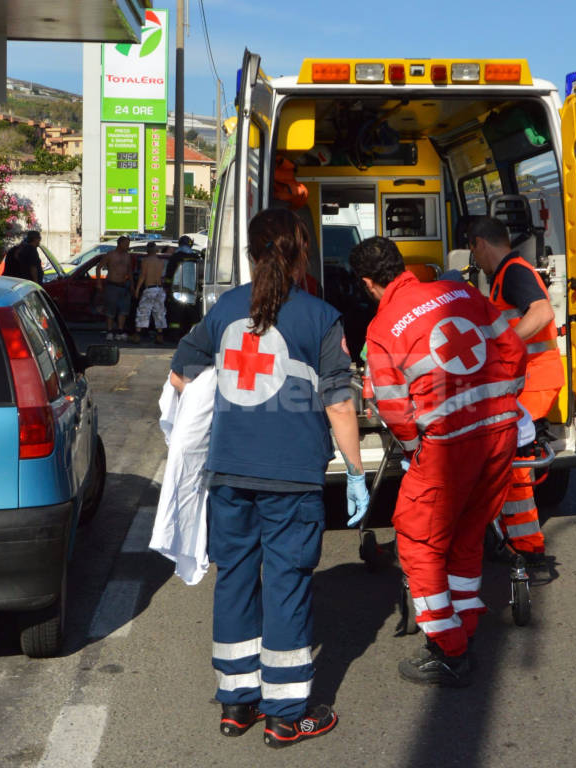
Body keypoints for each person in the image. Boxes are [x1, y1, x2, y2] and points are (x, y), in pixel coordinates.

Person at [169, 208, 369, 748]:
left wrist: (233, 414)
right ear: (301, 251)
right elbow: (340, 403)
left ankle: (236, 703)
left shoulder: (225, 310)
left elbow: (182, 374)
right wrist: (355, 471)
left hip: (229, 472)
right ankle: (285, 713)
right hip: (293, 478)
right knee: (286, 583)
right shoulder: (321, 317)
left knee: (234, 576)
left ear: (253, 254)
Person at [349, 236, 526, 687]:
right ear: (402, 265)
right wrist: (504, 404)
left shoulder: (384, 325)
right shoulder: (464, 293)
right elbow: (514, 350)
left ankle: (449, 647)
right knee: (468, 533)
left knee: (416, 541)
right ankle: (466, 621)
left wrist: (414, 447)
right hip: (500, 432)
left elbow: (390, 404)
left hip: (449, 445)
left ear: (369, 283)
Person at [468, 216, 565, 560]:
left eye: (473, 250)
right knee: (504, 455)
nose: (474, 259)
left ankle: (526, 545)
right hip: (527, 379)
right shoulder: (505, 275)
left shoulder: (514, 272)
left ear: (480, 243)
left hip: (536, 381)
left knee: (513, 459)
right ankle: (509, 532)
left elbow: (541, 312)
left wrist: (500, 343)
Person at [96, 235, 134, 341]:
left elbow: (129, 272)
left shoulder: (127, 256)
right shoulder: (110, 255)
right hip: (112, 285)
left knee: (123, 309)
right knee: (110, 309)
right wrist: (98, 283)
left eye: (128, 244)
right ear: (120, 244)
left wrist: (132, 286)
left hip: (124, 286)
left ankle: (120, 331)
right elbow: (98, 267)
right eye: (126, 244)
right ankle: (109, 331)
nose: (128, 246)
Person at [132, 241, 167, 344]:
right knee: (160, 312)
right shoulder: (161, 262)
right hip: (160, 289)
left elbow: (143, 275)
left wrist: (137, 289)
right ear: (156, 251)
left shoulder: (145, 261)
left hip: (150, 288)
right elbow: (162, 277)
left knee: (143, 311)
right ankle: (160, 336)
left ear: (147, 250)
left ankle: (137, 335)